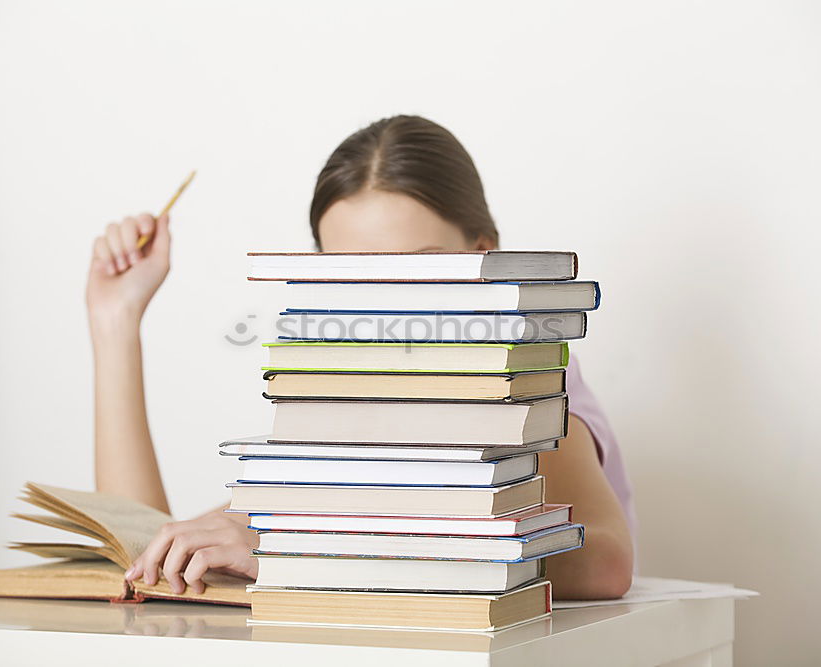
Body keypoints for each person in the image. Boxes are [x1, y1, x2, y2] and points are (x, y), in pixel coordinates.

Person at [86, 115, 635, 600]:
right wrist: (116, 322)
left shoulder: (523, 378)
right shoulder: (341, 389)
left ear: (482, 258)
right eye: (353, 277)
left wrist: (301, 551)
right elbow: (147, 540)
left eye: (421, 270)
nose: (385, 307)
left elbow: (607, 563)